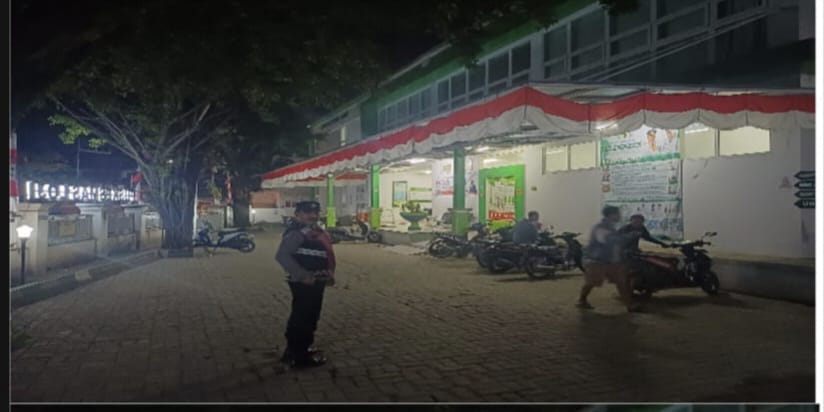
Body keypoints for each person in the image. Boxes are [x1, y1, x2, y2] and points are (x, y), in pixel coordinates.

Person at [275, 201, 336, 368]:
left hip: (315, 281)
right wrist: (303, 276)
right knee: (304, 318)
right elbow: (282, 256)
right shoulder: (297, 233)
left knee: (307, 316)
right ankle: (300, 357)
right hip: (305, 282)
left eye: (316, 213)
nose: (313, 216)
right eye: (308, 213)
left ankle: (297, 350)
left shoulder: (314, 231)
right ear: (297, 214)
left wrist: (327, 275)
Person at [577, 206, 643, 312]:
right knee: (591, 282)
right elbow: (611, 240)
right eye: (618, 214)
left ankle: (629, 304)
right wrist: (630, 236)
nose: (620, 216)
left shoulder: (610, 227)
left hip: (611, 261)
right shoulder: (600, 227)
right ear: (611, 215)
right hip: (598, 261)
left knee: (621, 282)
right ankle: (581, 300)